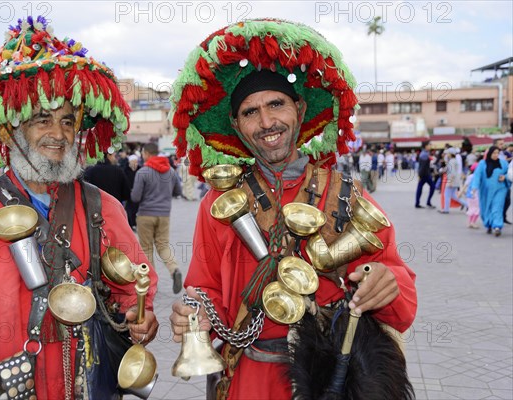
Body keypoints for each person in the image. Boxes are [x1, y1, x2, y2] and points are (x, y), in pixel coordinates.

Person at [168, 19, 416, 400]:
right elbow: (206, 287)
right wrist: (192, 309)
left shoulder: (346, 194)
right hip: (249, 379)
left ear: (299, 109)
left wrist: (387, 281)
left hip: (332, 379)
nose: (267, 122)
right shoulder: (218, 203)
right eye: (250, 112)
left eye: (276, 104)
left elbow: (400, 296)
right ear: (235, 125)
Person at [0, 16, 159, 400]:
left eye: (66, 121)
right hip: (6, 388)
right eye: (42, 119)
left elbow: (134, 286)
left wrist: (139, 314)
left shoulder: (102, 206)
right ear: (10, 130)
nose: (58, 134)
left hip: (87, 386)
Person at [131, 142, 183, 294]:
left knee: (146, 248)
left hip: (145, 214)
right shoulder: (171, 172)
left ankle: (151, 283)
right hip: (164, 215)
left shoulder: (143, 172)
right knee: (163, 246)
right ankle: (174, 270)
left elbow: (135, 197)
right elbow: (178, 191)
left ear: (147, 153)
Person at [472, 146, 511, 236]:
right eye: (494, 153)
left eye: (497, 153)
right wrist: (474, 187)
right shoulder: (482, 164)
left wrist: (504, 177)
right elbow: (477, 175)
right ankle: (489, 224)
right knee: (486, 208)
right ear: (489, 153)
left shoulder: (503, 163)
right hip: (486, 191)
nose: (496, 155)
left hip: (500, 189)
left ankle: (497, 226)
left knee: (497, 207)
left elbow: (509, 173)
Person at [415, 141, 435, 209]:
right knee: (432, 187)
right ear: (426, 146)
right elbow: (422, 166)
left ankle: (418, 203)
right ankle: (426, 202)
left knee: (420, 188)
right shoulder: (424, 154)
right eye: (429, 145)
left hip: (425, 174)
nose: (430, 146)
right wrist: (420, 175)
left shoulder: (425, 153)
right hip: (424, 174)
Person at [123, 154, 141, 230]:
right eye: (133, 162)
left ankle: (136, 224)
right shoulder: (125, 170)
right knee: (129, 209)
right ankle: (131, 223)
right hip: (129, 193)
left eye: (136, 162)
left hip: (138, 193)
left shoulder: (140, 170)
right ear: (130, 162)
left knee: (137, 209)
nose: (135, 164)